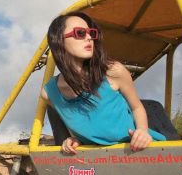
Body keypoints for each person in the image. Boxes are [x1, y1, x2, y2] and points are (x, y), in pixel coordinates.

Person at [41, 12, 166, 154]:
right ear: (59, 40)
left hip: (139, 150)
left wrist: (142, 131)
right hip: (101, 160)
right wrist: (75, 139)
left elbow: (137, 107)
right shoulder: (49, 93)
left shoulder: (113, 72)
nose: (89, 38)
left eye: (91, 33)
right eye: (80, 33)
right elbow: (80, 123)